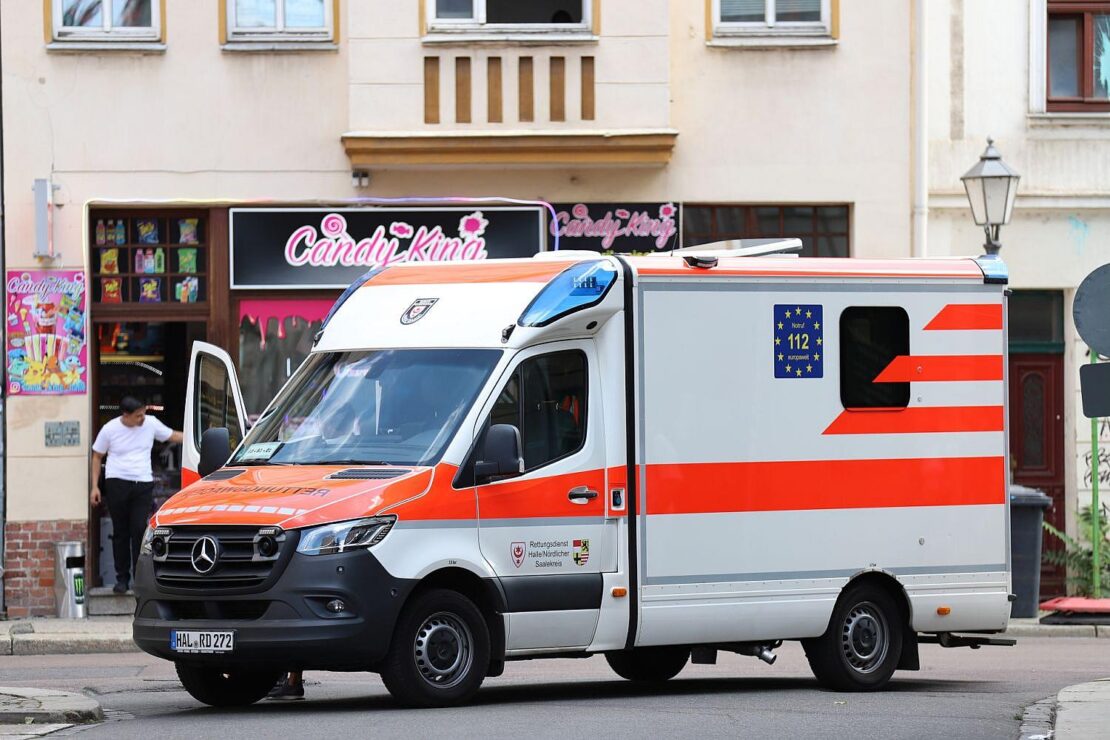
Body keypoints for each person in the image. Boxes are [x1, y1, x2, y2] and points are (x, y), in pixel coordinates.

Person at [90, 396, 183, 594]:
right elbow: (97, 456)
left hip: (142, 482)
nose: (142, 418)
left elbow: (172, 436)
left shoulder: (150, 423)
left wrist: (198, 436)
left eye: (143, 414)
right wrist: (94, 487)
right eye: (138, 416)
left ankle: (139, 578)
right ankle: (121, 579)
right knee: (120, 532)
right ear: (126, 415)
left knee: (139, 530)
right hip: (117, 482)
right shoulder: (110, 429)